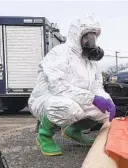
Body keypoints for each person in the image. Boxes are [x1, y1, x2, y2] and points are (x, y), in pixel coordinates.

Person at [28, 14, 116, 156]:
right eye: (87, 36)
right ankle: (44, 135)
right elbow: (58, 86)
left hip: (78, 98)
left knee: (105, 112)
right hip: (49, 99)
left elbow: (96, 87)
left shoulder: (91, 61)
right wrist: (92, 99)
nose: (91, 41)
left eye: (93, 37)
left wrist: (105, 99)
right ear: (77, 36)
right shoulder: (60, 53)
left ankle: (73, 131)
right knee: (69, 109)